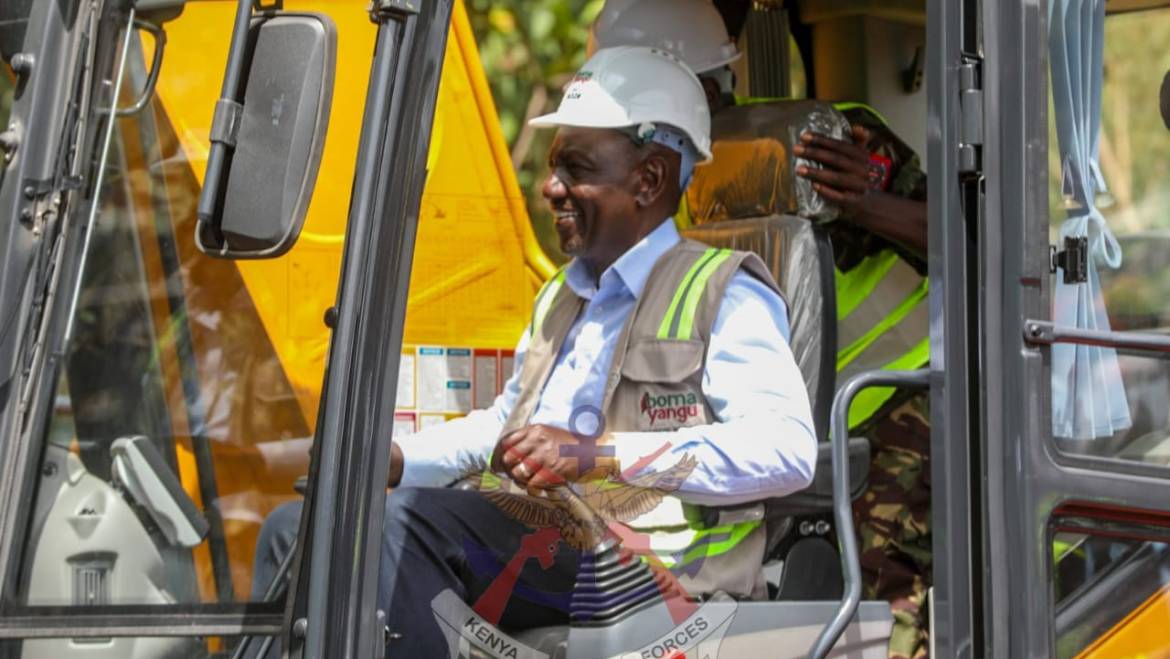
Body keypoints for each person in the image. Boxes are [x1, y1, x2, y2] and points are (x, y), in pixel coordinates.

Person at [252, 45, 816, 657]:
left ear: (648, 179)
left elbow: (784, 450)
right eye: (553, 167)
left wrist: (596, 456)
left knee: (406, 525)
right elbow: (505, 428)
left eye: (576, 168)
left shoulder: (724, 292)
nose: (550, 188)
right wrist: (392, 459)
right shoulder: (562, 296)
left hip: (650, 567)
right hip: (548, 539)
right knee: (303, 530)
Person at [589, 3, 931, 658]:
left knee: (886, 602)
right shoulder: (675, 174)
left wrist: (866, 203)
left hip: (907, 400)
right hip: (809, 412)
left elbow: (980, 239)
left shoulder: (821, 142)